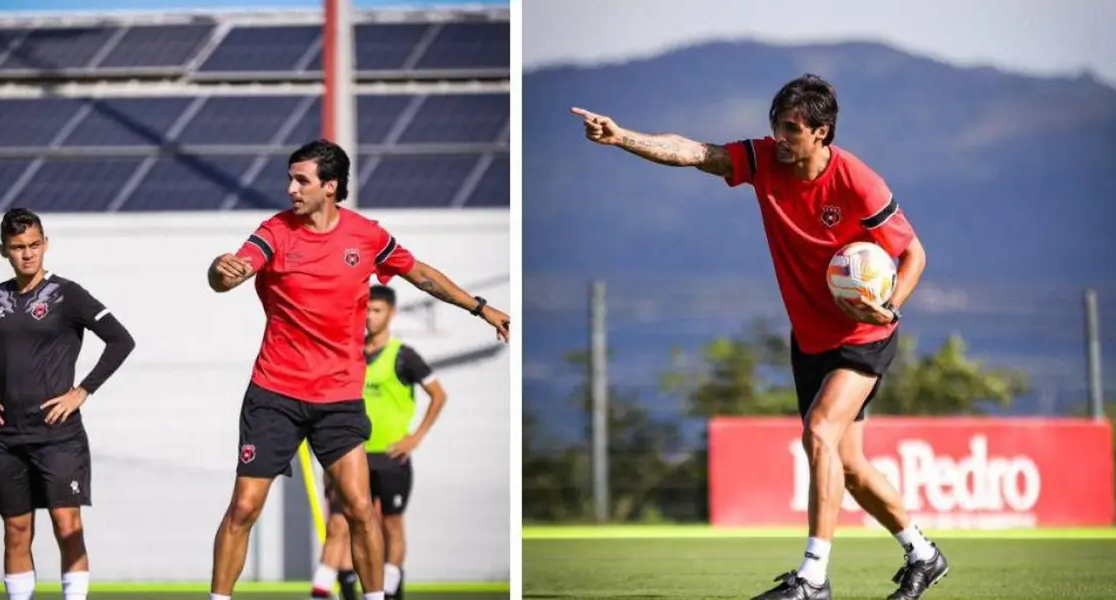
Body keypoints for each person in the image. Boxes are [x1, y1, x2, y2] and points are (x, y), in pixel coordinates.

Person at [571, 74, 945, 600]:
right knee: (849, 466)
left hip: (864, 333)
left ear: (821, 132)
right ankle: (923, 554)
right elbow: (694, 152)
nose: (780, 137)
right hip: (810, 338)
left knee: (819, 432)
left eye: (791, 128)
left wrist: (890, 306)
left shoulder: (859, 182)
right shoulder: (764, 160)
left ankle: (813, 579)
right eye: (776, 126)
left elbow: (913, 255)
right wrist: (622, 137)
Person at [206, 139, 509, 600]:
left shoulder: (367, 236)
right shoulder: (273, 232)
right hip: (274, 395)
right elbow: (231, 274)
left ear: (330, 186)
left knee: (361, 510)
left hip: (339, 399)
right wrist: (220, 269)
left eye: (301, 180)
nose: (290, 189)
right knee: (244, 507)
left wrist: (480, 308)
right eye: (289, 179)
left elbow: (421, 274)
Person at [0, 208, 136, 600]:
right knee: (16, 531)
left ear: (46, 244)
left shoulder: (67, 294)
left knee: (66, 524)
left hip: (59, 436)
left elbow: (120, 340)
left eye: (34, 245)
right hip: (9, 436)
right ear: (3, 250)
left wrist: (83, 390)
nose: (27, 254)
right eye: (17, 247)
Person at [310, 285, 449, 600]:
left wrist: (415, 437)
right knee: (341, 524)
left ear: (391, 313)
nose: (370, 317)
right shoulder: (346, 352)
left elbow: (438, 395)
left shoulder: (404, 356)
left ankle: (390, 587)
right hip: (349, 454)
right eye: (366, 311)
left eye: (377, 310)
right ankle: (335, 589)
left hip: (389, 458)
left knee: (390, 524)